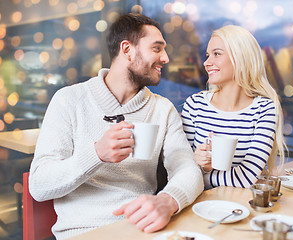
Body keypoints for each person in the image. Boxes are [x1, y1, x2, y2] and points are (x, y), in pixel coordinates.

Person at [29, 13, 203, 239]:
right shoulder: (69, 100)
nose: (166, 58)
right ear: (127, 50)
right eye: (157, 48)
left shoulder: (162, 109)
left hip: (143, 230)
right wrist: (96, 154)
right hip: (83, 233)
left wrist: (167, 201)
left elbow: (188, 169)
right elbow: (39, 185)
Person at [181, 25, 286, 190]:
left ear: (241, 58)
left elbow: (247, 178)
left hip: (239, 206)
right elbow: (180, 169)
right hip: (198, 205)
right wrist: (199, 162)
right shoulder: (195, 104)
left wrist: (204, 174)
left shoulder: (264, 109)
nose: (207, 62)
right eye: (208, 55)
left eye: (217, 54)